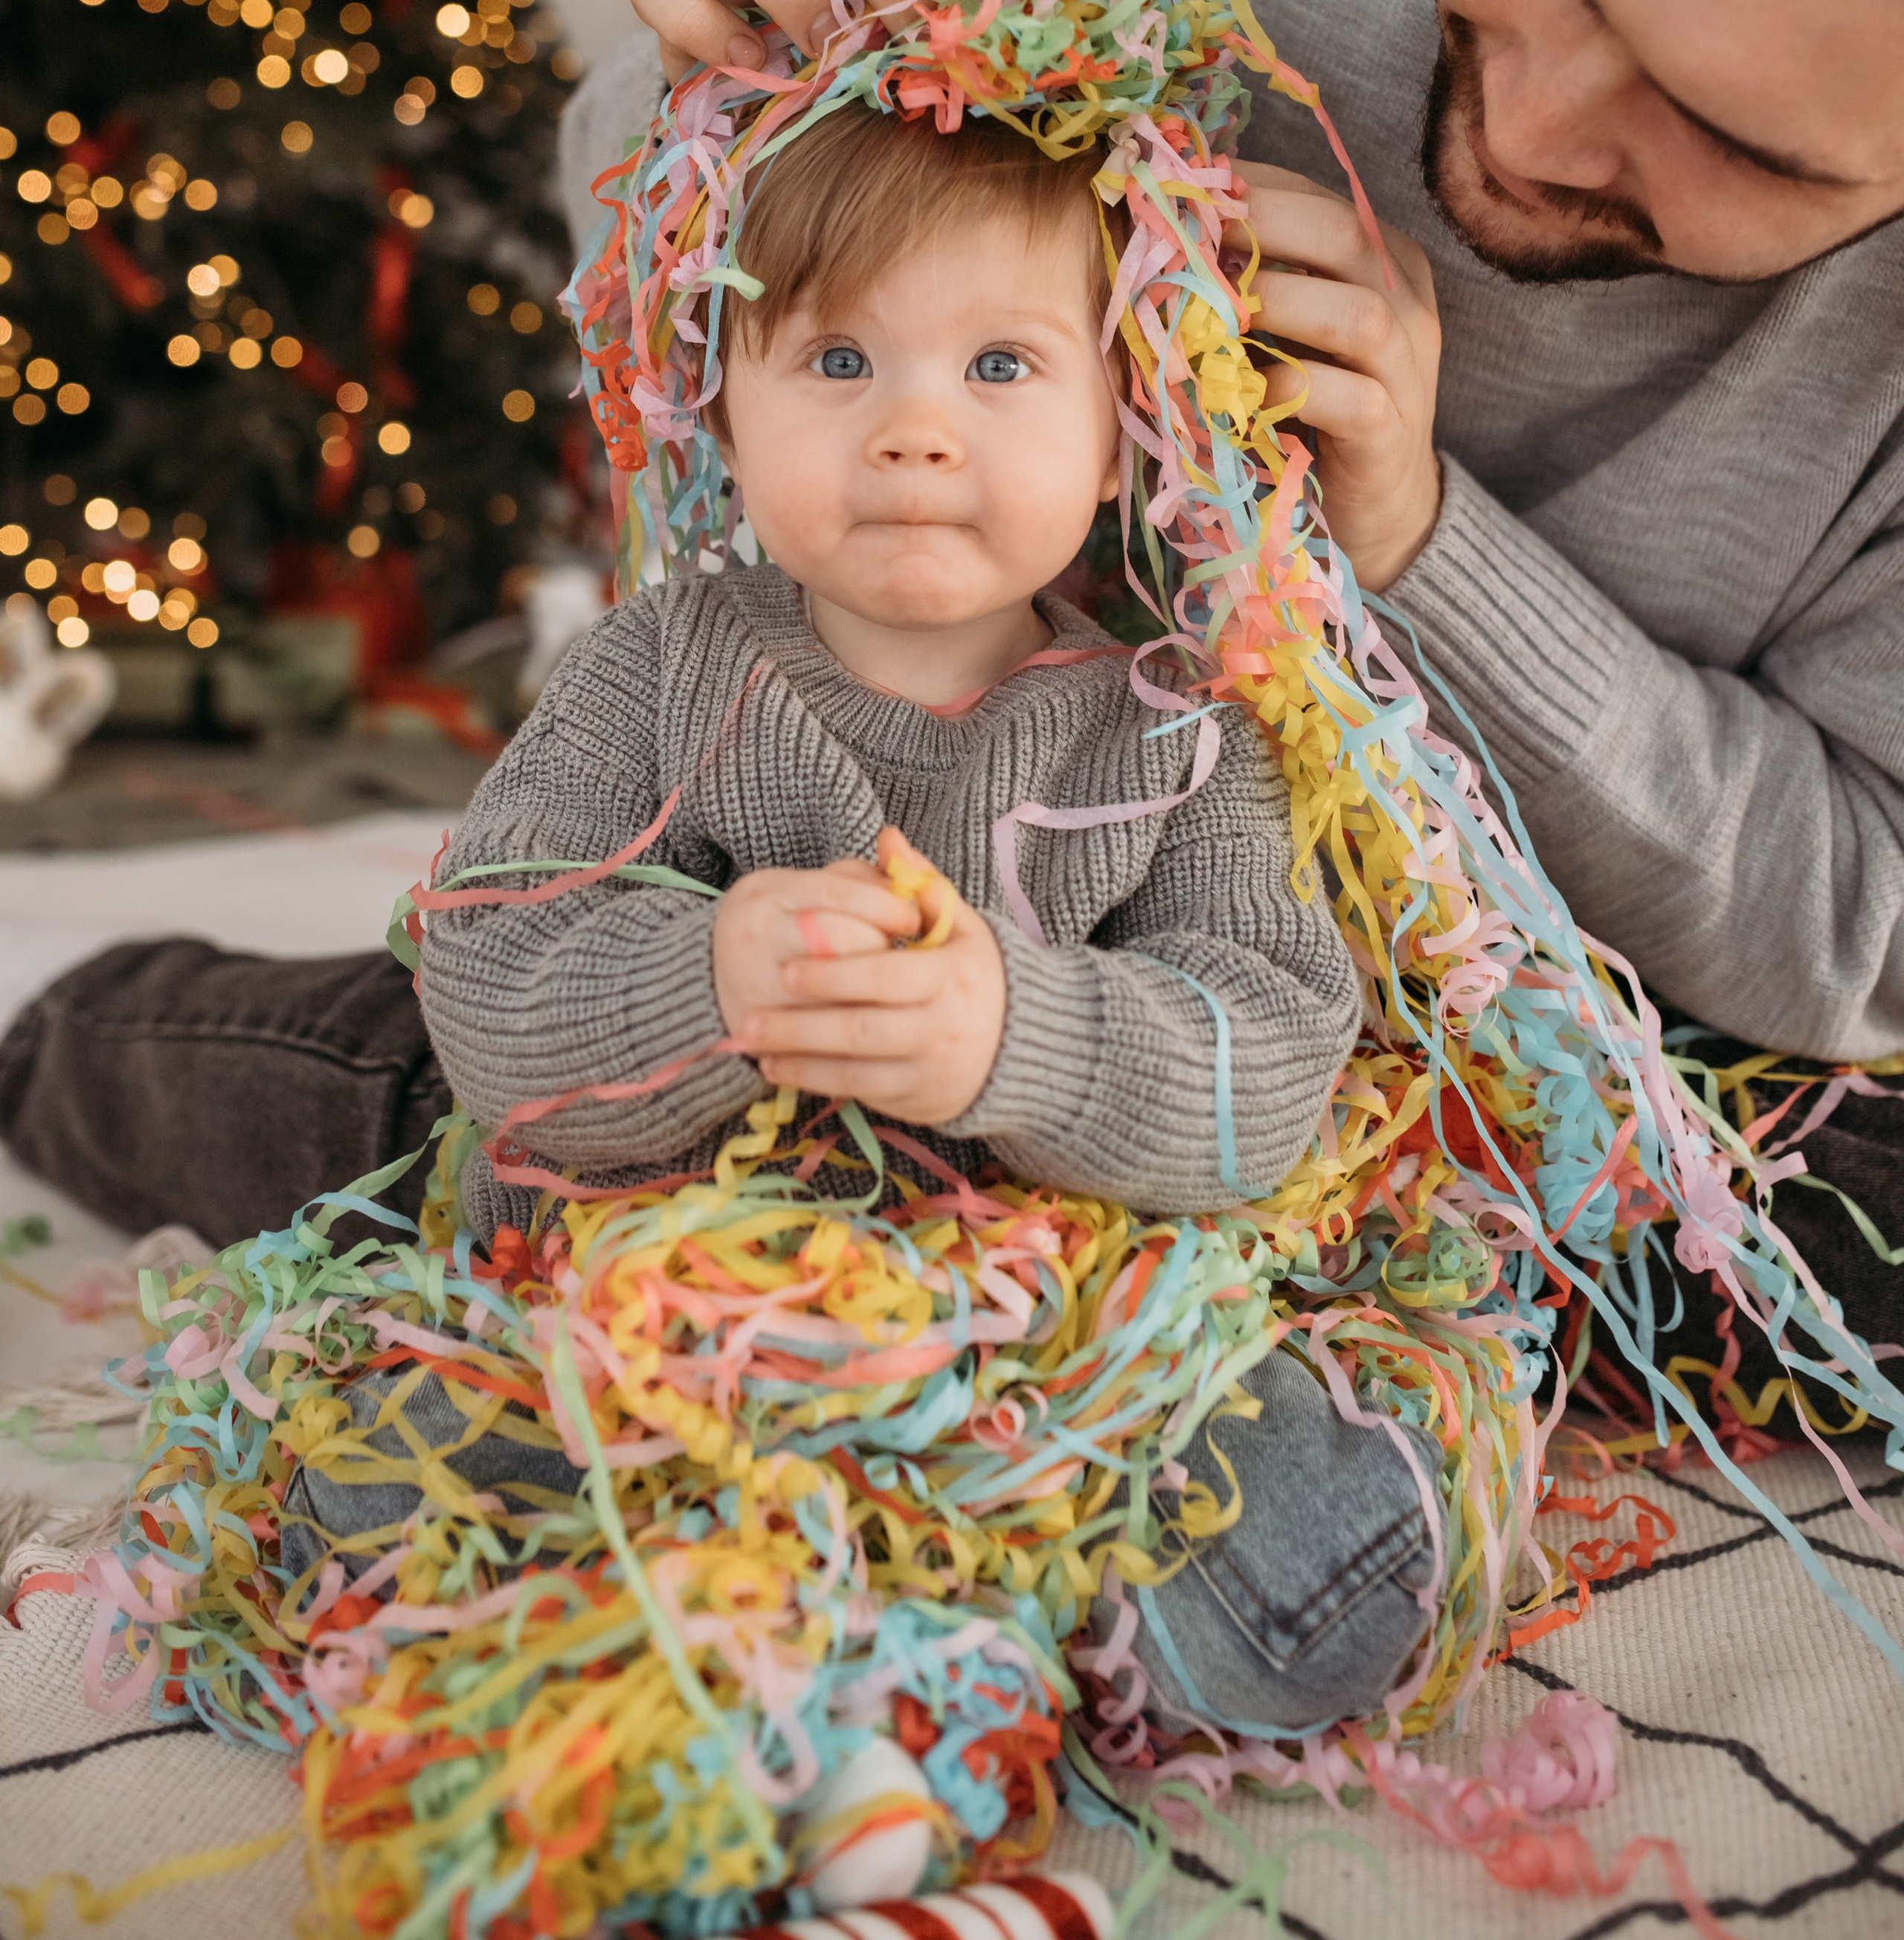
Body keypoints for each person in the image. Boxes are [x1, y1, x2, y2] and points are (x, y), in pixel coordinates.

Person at [3, 0, 1900, 1381]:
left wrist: (1416, 541)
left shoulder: (1188, 750)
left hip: (1470, 1051)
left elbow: (1850, 935)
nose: (1543, 123)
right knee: (489, 1104)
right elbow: (676, 287)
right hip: (763, 1005)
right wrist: (744, 70)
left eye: (1732, 137)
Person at [275, 94, 1438, 1742]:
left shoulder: (1178, 727)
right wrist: (711, 980)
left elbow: (1270, 1062)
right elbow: (489, 961)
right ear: (723, 409)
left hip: (1061, 1335)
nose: (911, 430)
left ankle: (911, 1612)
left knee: (1316, 1558)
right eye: (835, 364)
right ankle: (800, 1618)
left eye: (999, 367)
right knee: (382, 1489)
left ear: (1124, 429)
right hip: (688, 1307)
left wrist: (1010, 1039)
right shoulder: (661, 666)